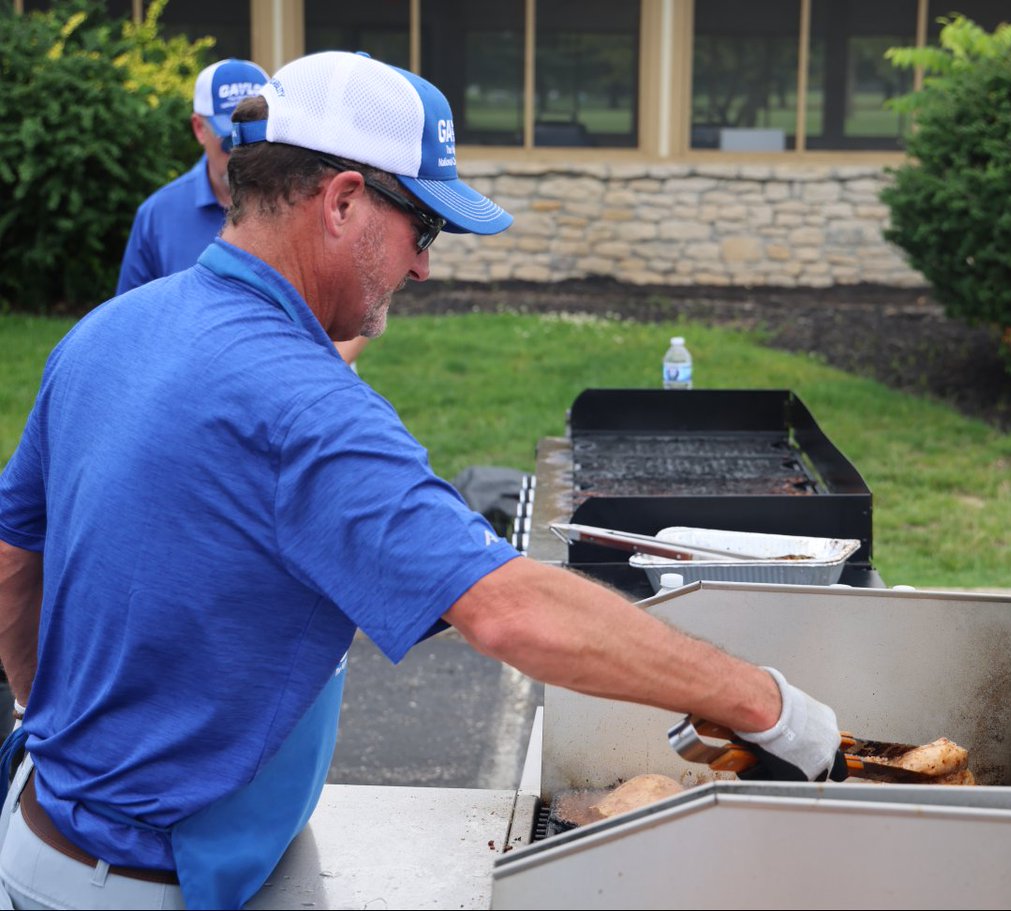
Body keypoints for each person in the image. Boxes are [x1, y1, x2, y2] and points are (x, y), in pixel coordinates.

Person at [0, 51, 845, 910]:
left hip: (34, 835)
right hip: (144, 883)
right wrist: (767, 702)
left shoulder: (103, 334)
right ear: (342, 202)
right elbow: (510, 609)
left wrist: (59, 731)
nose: (424, 267)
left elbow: (11, 561)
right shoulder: (306, 406)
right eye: (425, 230)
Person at [115, 57, 368, 368]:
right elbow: (129, 326)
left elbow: (362, 293)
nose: (239, 152)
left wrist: (317, 370)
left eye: (252, 139)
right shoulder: (158, 215)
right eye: (228, 139)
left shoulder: (309, 195)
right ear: (199, 128)